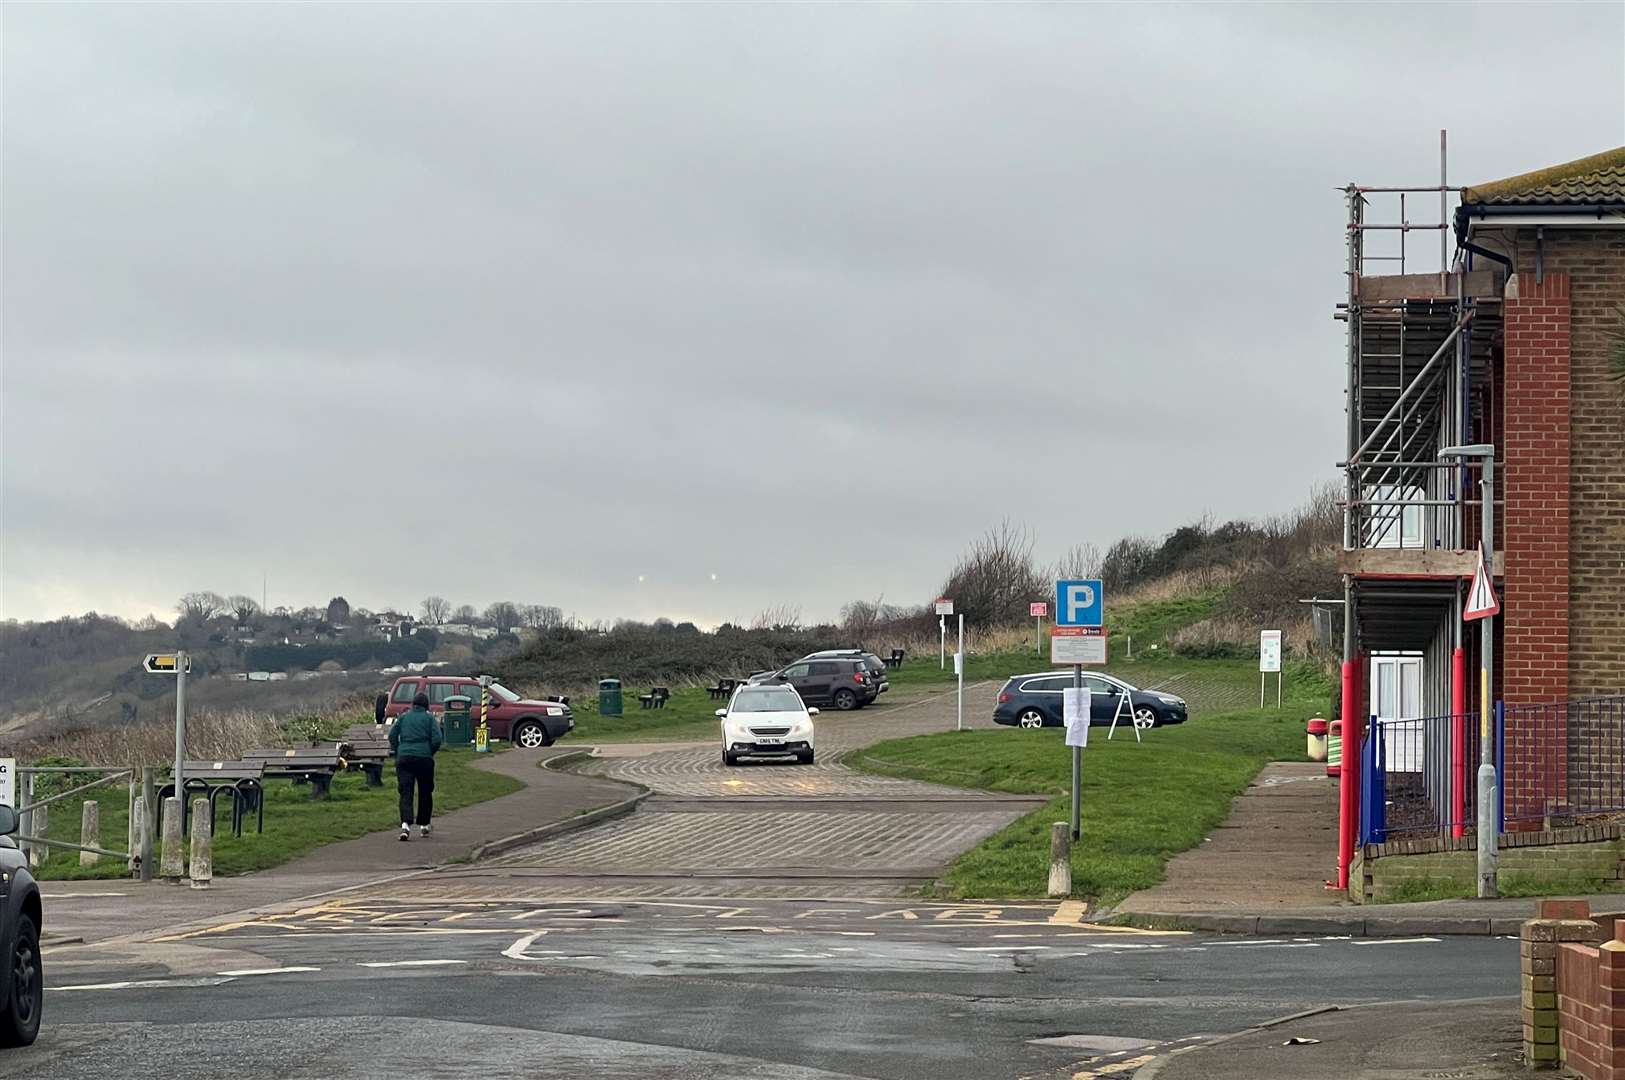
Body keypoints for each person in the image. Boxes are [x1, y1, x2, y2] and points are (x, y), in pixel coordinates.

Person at [388, 692, 443, 840]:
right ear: (426, 706)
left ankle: (405, 825)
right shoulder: (430, 719)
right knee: (425, 791)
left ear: (413, 704)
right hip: (424, 758)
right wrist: (429, 751)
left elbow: (392, 735)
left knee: (406, 791)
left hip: (404, 758)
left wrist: (399, 749)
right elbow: (437, 739)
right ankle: (424, 825)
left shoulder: (403, 717)